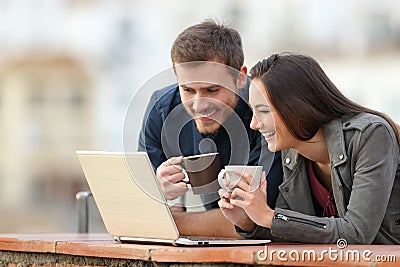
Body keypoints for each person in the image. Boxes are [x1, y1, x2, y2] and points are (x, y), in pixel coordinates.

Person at [218, 52, 400, 244]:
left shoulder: (370, 135)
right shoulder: (291, 152)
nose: (254, 124)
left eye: (263, 111)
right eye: (254, 112)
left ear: (297, 106)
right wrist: (249, 221)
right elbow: (296, 230)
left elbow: (356, 233)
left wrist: (269, 216)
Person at [137, 20, 283, 238]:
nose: (199, 105)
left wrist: (165, 221)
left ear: (240, 77)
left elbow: (250, 222)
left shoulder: (265, 110)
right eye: (187, 90)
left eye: (212, 90)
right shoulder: (162, 108)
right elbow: (138, 210)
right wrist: (159, 194)